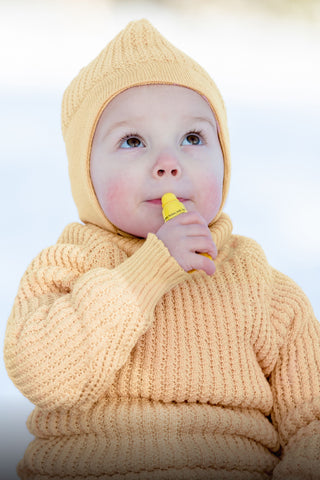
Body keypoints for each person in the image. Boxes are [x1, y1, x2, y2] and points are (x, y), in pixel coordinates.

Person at [4, 18, 320, 480]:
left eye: (192, 138)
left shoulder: (263, 287)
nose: (168, 164)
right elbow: (44, 376)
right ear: (85, 175)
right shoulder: (69, 267)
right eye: (133, 141)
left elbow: (311, 419)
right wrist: (147, 273)